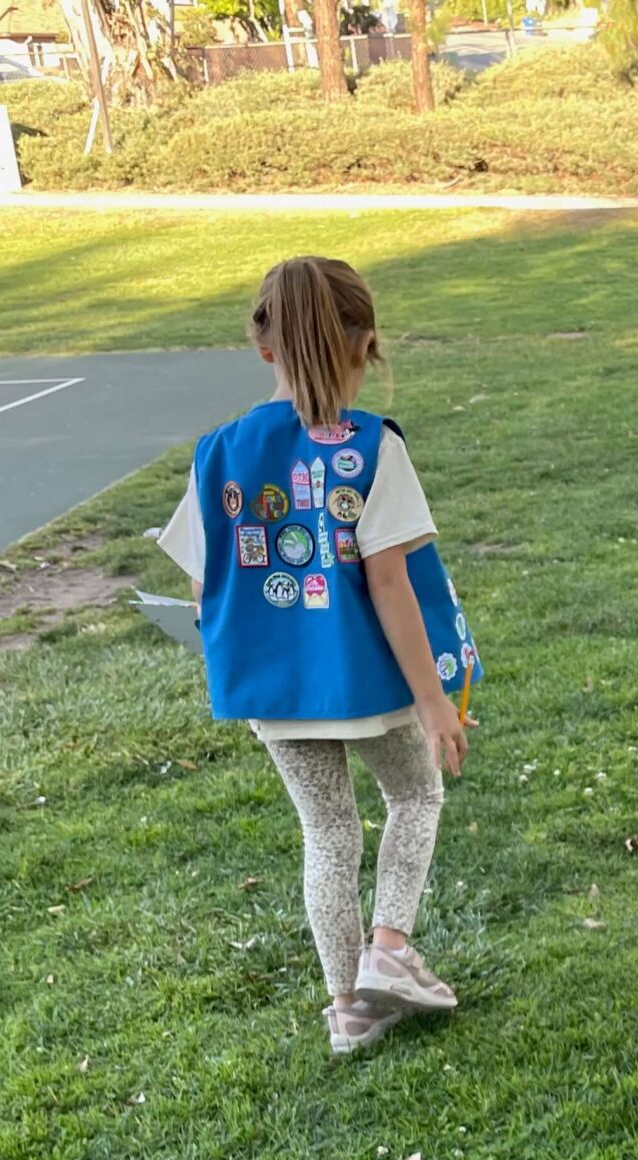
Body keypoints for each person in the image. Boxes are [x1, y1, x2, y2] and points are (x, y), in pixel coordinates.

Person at [157, 256, 481, 1057]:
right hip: (366, 682)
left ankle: (348, 1010)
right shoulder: (373, 447)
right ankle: (393, 948)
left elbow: (205, 591)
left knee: (327, 834)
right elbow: (391, 585)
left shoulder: (217, 454)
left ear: (261, 346)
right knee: (415, 797)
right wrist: (435, 702)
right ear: (365, 345)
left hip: (272, 691)